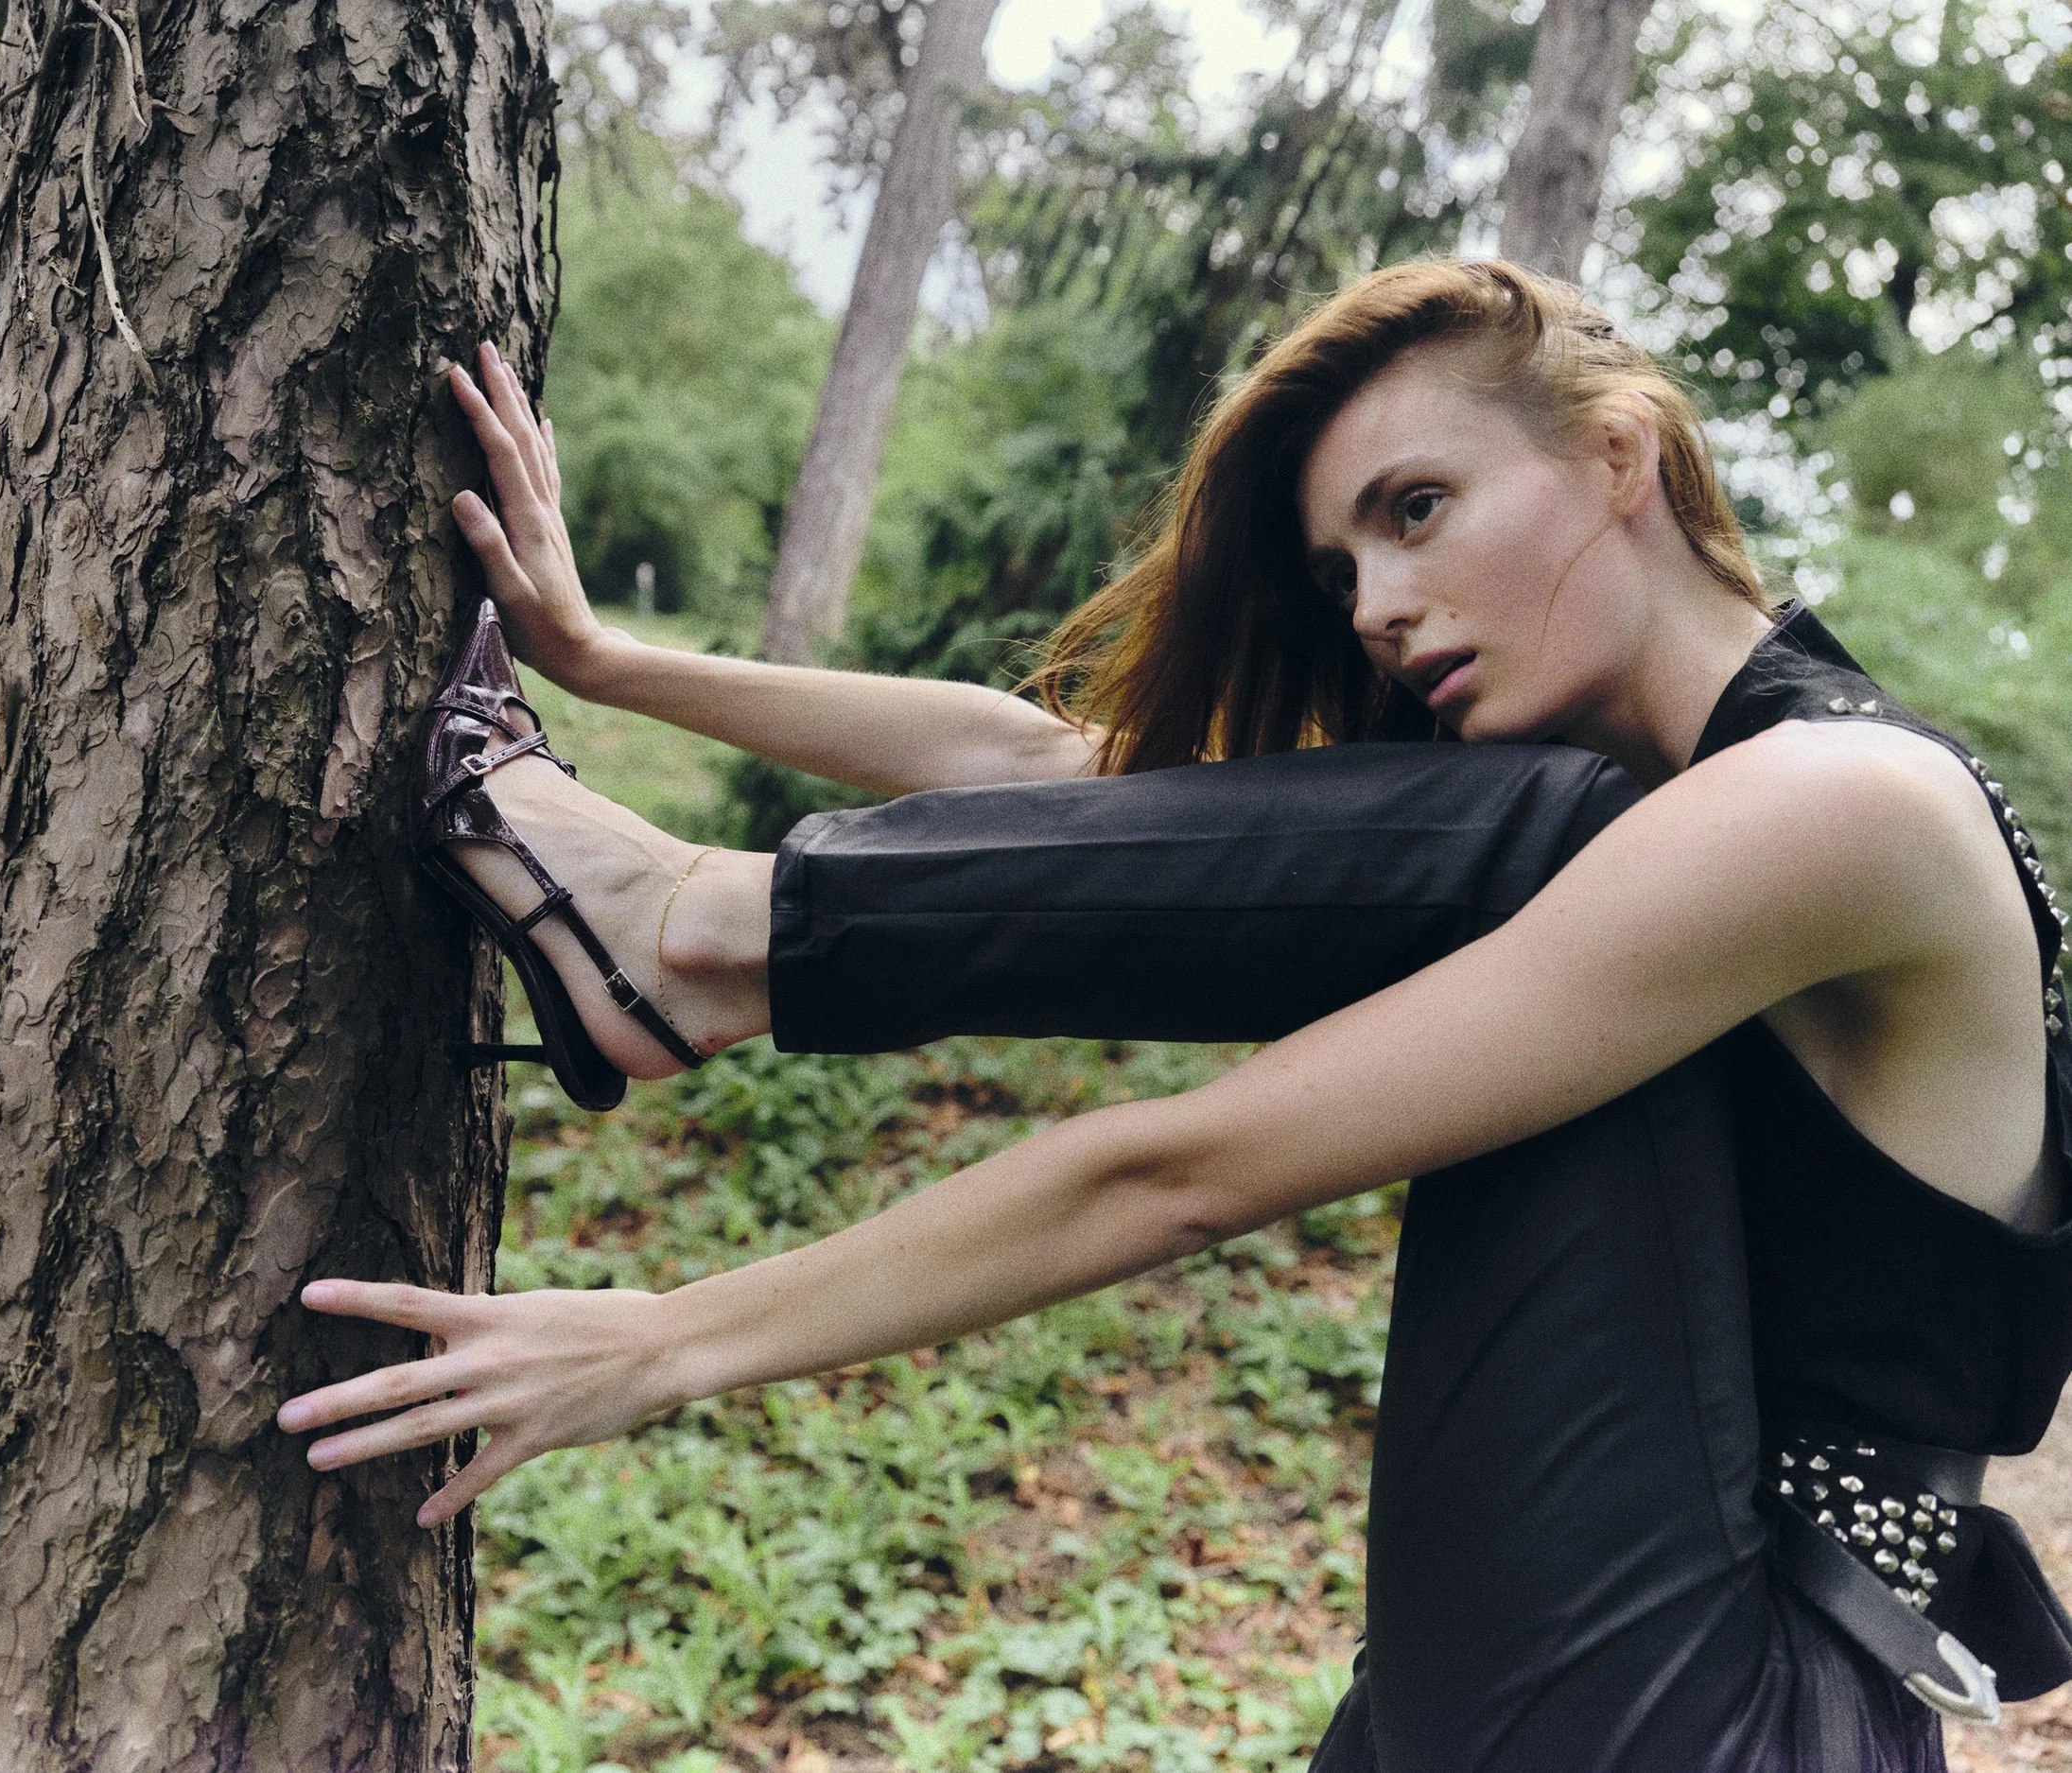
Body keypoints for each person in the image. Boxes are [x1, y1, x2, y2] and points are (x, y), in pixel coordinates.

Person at [279, 260, 2072, 1768]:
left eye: (1417, 510)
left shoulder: (1844, 808)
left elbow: (1187, 1171)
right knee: (1524, 827)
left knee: (1547, 833)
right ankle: (678, 938)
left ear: (1619, 453)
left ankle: (685, 943)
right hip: (1600, 1650)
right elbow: (1074, 782)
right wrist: (614, 662)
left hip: (1722, 1691)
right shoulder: (1627, 815)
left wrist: (667, 1338)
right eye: (1341, 570)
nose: (1374, 606)